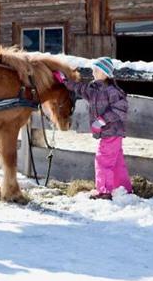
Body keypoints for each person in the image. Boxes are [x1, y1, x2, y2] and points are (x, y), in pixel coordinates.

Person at [53, 57, 132, 200]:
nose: (94, 72)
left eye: (97, 70)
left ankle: (103, 191)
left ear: (106, 73)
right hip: (108, 132)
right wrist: (64, 80)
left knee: (102, 159)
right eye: (93, 70)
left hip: (112, 131)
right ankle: (123, 188)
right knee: (116, 161)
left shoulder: (112, 90)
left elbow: (121, 109)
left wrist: (101, 121)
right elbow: (79, 88)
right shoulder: (93, 89)